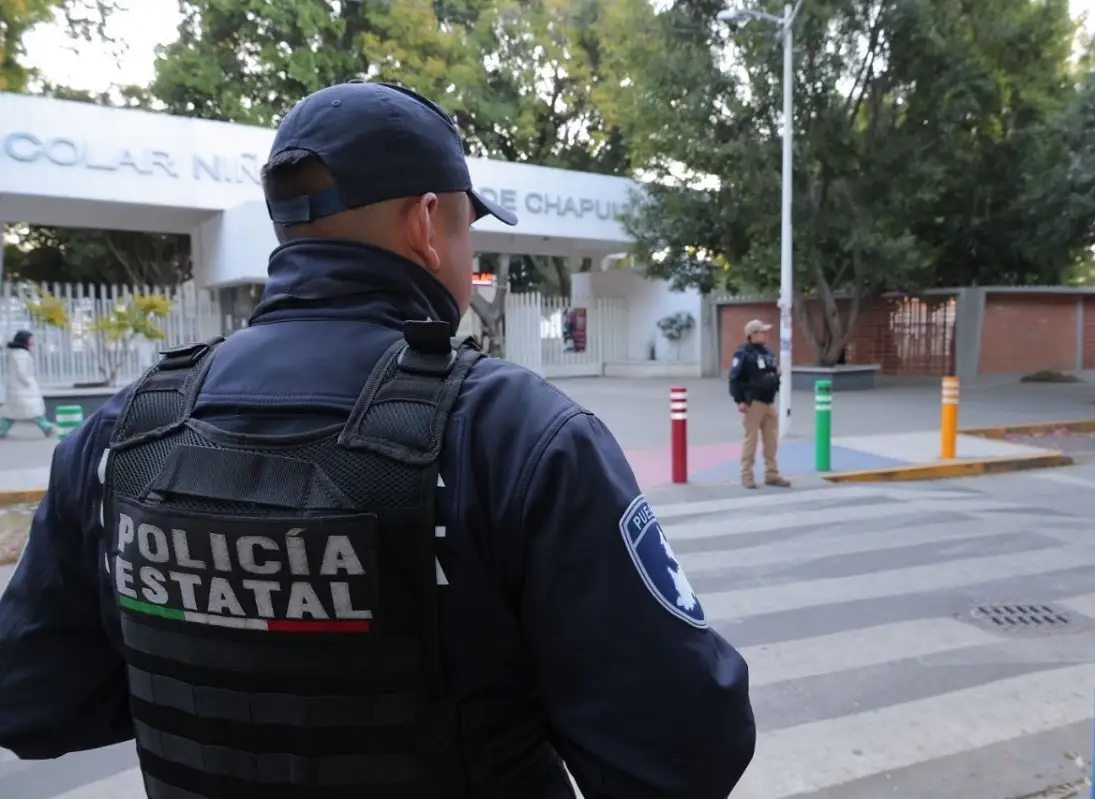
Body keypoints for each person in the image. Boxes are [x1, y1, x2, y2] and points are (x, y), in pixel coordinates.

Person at [0, 82, 755, 799]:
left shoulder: (126, 431)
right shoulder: (516, 432)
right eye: (467, 229)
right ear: (427, 224)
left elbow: (33, 702)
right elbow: (684, 751)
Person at [729, 319, 791, 490]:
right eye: (762, 332)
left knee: (771, 441)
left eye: (765, 331)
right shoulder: (743, 353)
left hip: (769, 401)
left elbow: (774, 372)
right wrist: (740, 400)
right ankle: (746, 476)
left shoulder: (768, 352)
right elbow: (734, 379)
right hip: (753, 402)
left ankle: (771, 474)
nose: (765, 334)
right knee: (751, 441)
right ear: (752, 335)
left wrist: (775, 377)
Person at [0, 330, 55, 439]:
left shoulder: (17, 353)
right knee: (32, 409)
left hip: (17, 388)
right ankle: (47, 427)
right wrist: (28, 382)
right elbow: (22, 372)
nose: (33, 341)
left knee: (12, 412)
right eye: (30, 339)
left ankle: (1, 429)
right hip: (22, 388)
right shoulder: (21, 354)